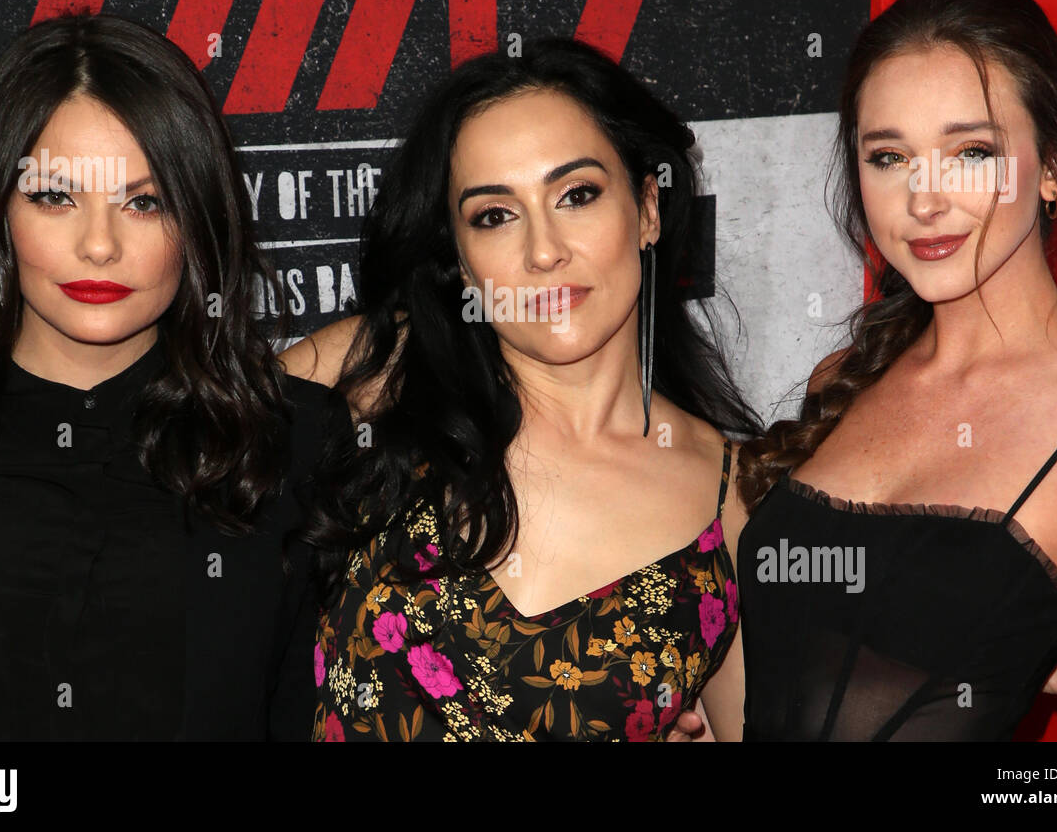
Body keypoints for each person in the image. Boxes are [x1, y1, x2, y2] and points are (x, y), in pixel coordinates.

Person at [0, 13, 343, 740]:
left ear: (197, 219)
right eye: (55, 197)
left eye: (144, 201)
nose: (99, 244)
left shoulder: (292, 442)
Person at [286, 38, 759, 740]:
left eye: (577, 195)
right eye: (494, 215)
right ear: (460, 255)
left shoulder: (727, 506)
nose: (543, 251)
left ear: (649, 209)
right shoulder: (371, 376)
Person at [734, 0, 1057, 740]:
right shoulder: (845, 378)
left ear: (1054, 167)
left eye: (971, 151)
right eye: (889, 156)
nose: (923, 199)